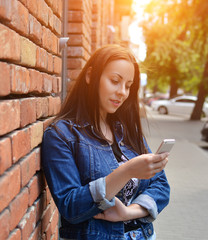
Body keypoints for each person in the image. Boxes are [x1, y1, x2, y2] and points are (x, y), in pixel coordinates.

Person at [41, 44, 170, 240]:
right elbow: (70, 206)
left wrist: (129, 213)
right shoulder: (61, 135)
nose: (122, 92)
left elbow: (161, 185)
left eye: (128, 85)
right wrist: (126, 171)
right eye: (115, 81)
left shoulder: (127, 131)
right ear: (90, 76)